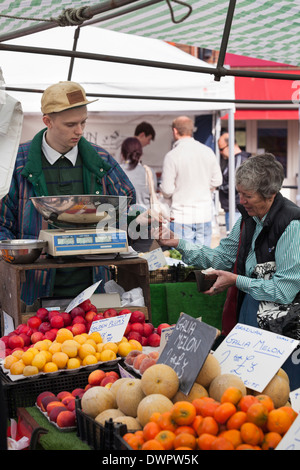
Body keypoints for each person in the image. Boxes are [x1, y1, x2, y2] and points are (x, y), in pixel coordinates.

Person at [154, 153, 300, 391]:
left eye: (248, 196)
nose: (241, 201)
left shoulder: (292, 225)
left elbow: (284, 291)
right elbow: (221, 258)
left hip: (282, 327)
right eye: (239, 193)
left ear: (270, 194)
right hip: (249, 311)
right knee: (247, 390)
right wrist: (178, 243)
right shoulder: (247, 220)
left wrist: (237, 280)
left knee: (279, 392)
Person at [0, 81, 136, 306]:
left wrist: (139, 219)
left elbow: (127, 208)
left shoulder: (101, 161)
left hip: (94, 289)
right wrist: (16, 254)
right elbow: (1, 223)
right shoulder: (17, 164)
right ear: (47, 121)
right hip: (33, 290)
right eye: (71, 124)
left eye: (83, 122)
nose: (80, 131)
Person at [159, 115, 222, 246]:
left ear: (175, 131)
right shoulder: (207, 151)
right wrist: (204, 187)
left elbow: (167, 189)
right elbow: (217, 181)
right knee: (203, 260)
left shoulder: (172, 156)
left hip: (181, 215)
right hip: (204, 213)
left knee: (182, 262)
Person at [120, 136, 158, 251]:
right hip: (146, 225)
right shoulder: (149, 172)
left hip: (124, 225)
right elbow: (153, 195)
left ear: (122, 153)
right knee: (145, 262)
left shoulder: (117, 171)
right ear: (140, 154)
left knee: (123, 263)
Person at [218, 132, 251, 232]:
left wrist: (219, 186)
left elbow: (235, 185)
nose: (220, 152)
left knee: (234, 242)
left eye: (221, 149)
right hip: (234, 208)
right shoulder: (236, 159)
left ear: (230, 146)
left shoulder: (238, 160)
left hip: (236, 208)